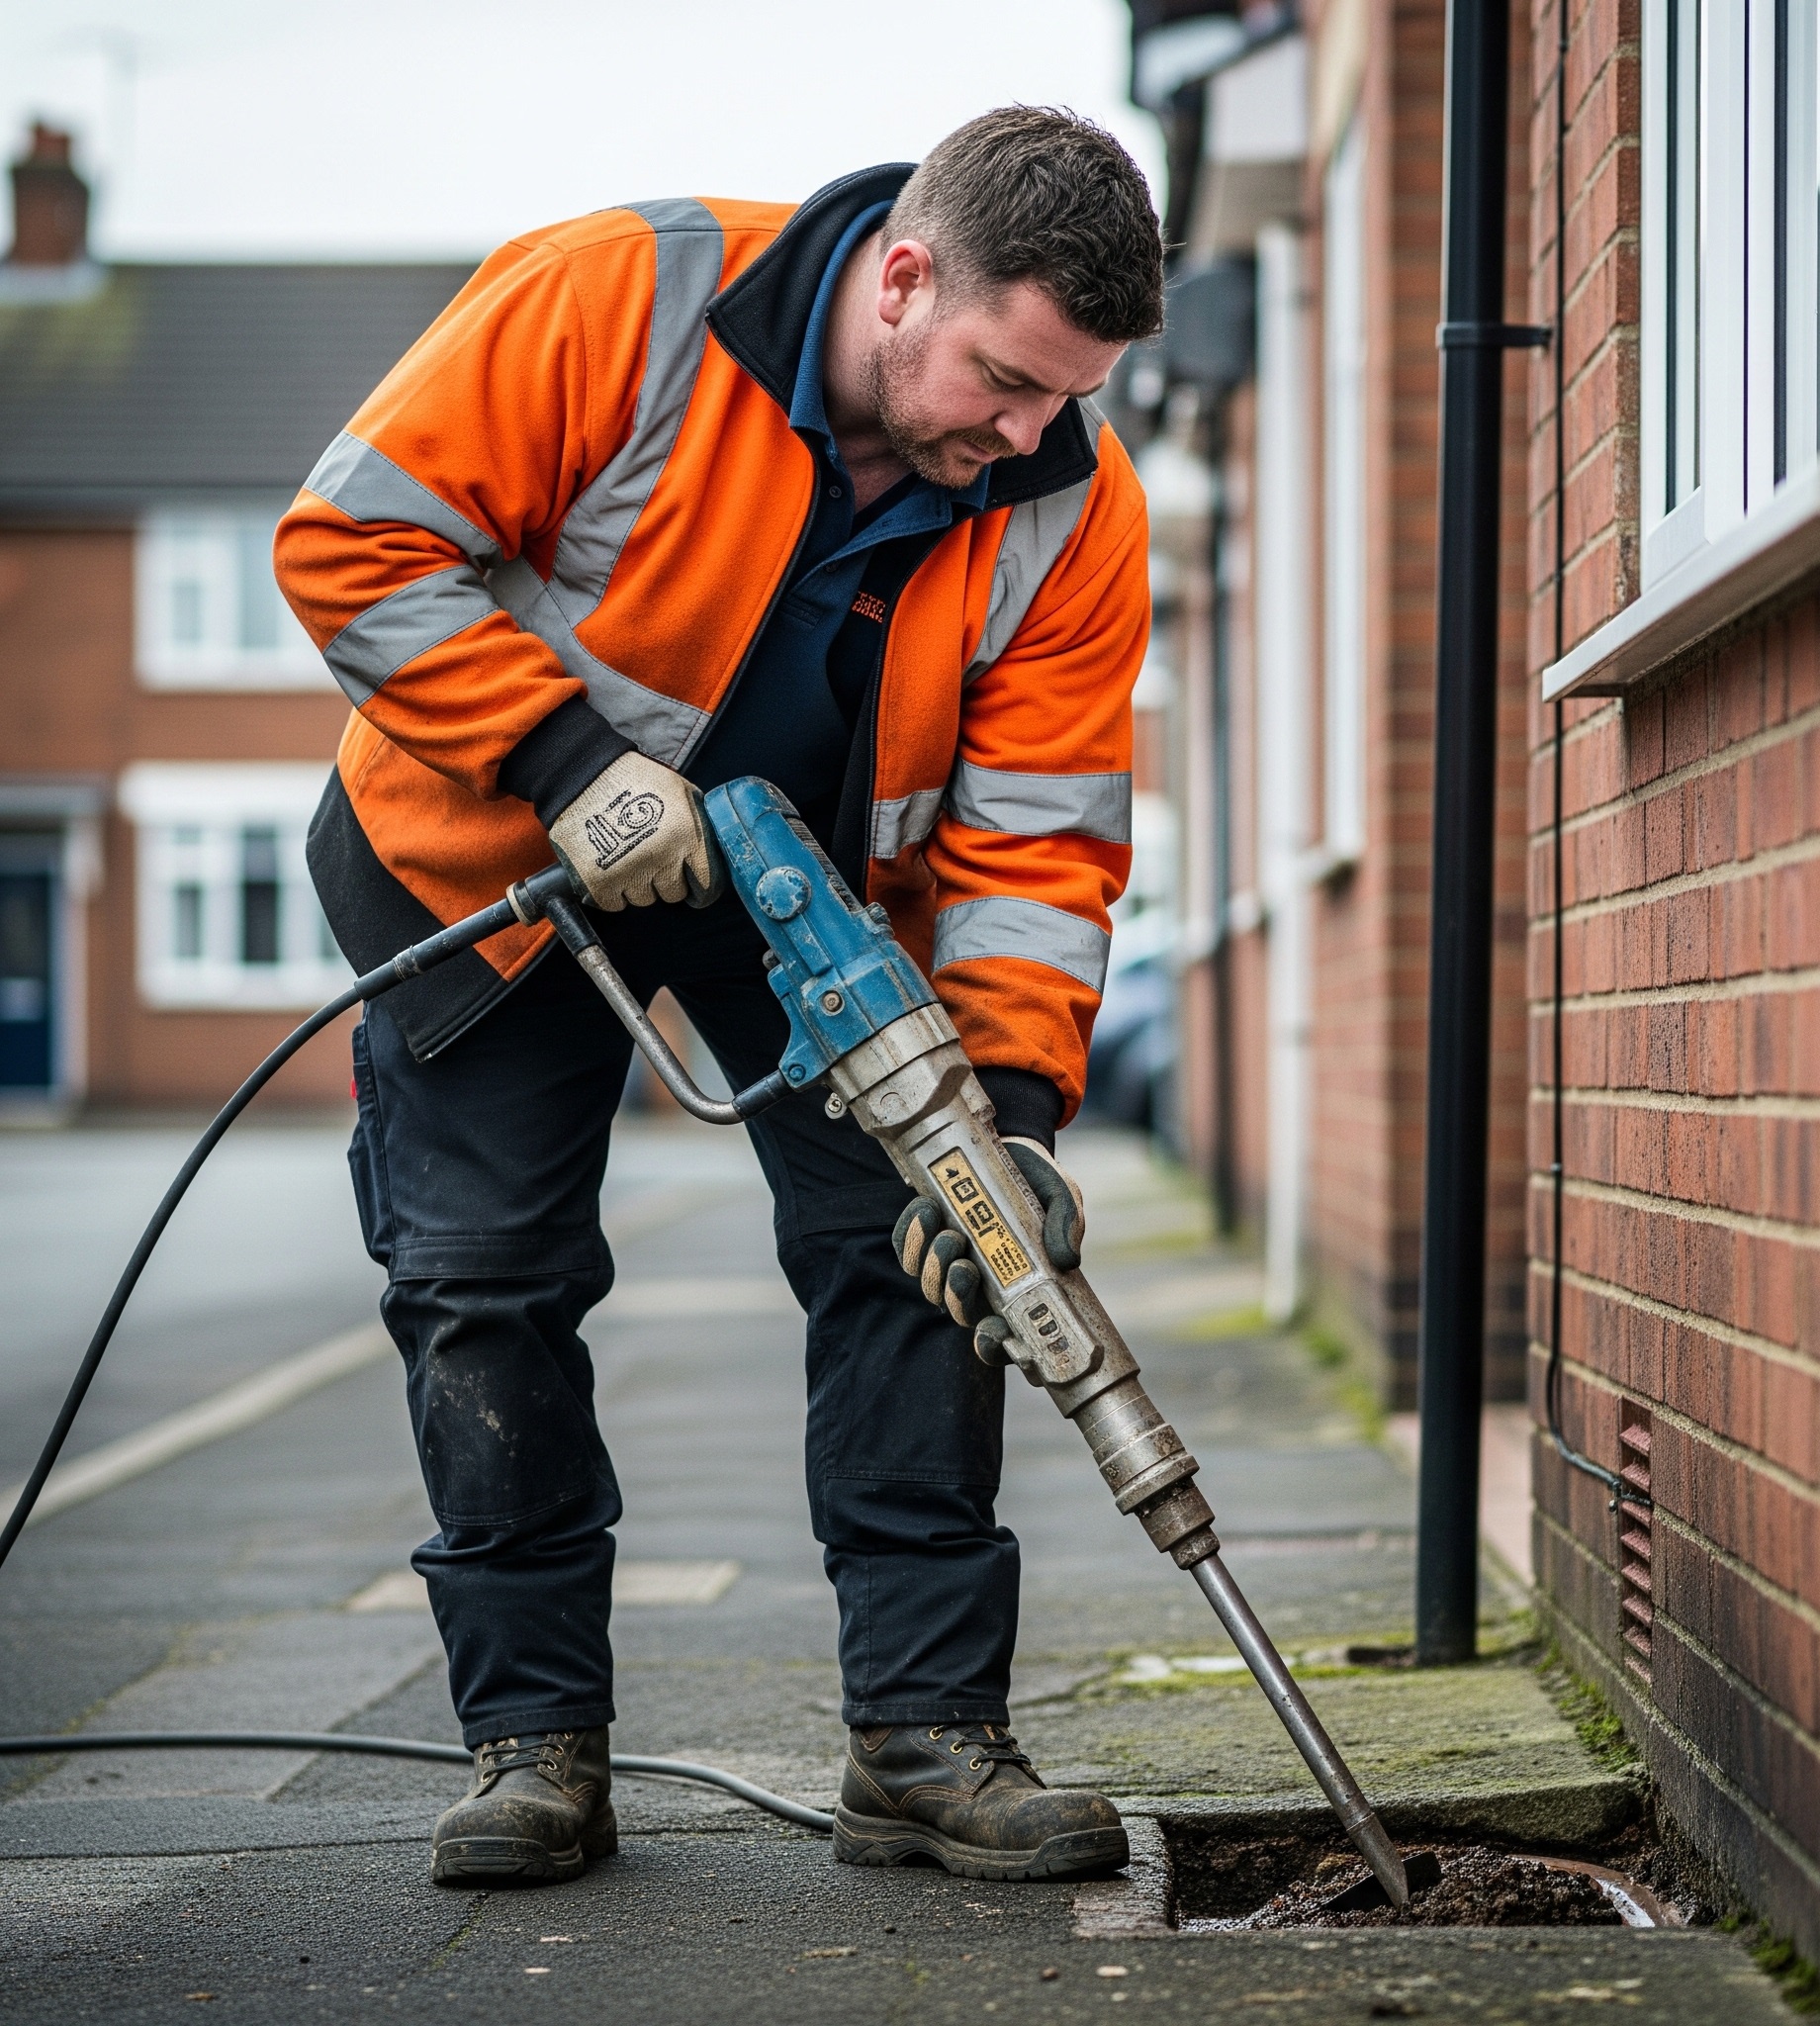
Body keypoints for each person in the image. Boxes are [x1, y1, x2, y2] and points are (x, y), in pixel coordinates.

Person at [274, 107, 1163, 1889]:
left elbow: (1040, 833)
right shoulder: (622, 300)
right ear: (904, 278)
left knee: (935, 1243)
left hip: (811, 904)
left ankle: (923, 1739)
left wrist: (1011, 1116)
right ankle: (534, 1747)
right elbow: (353, 539)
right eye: (1003, 379)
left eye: (1065, 397)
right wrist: (563, 757)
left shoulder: (1070, 496)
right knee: (482, 1285)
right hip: (501, 861)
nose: (1027, 434)